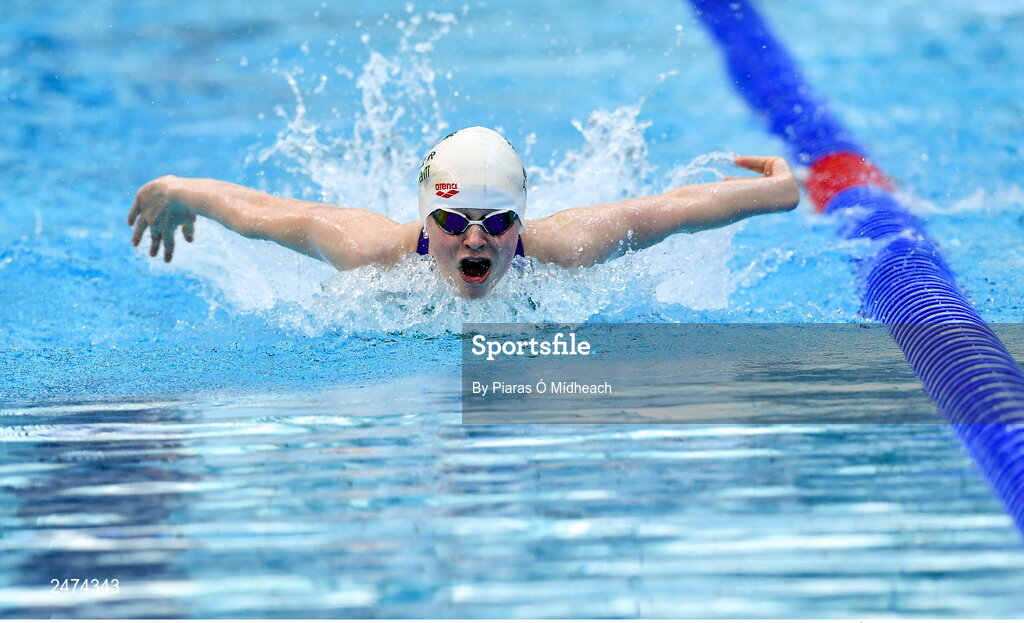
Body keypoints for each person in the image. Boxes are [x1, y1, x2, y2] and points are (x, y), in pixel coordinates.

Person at [128, 126, 799, 298]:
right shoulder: (371, 250)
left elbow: (672, 209)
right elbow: (264, 211)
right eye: (452, 221)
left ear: (522, 221)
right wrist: (179, 189)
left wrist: (776, 191)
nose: (476, 238)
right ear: (426, 223)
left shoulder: (564, 245)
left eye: (498, 220)